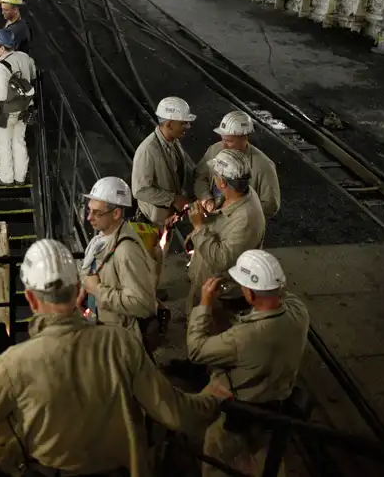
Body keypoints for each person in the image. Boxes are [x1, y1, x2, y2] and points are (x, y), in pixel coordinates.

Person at [0, 239, 221, 476]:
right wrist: (212, 398)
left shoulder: (15, 363)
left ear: (31, 299)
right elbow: (174, 411)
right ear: (78, 291)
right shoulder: (122, 344)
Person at [188, 251, 309, 477]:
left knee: (219, 457)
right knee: (268, 461)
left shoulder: (244, 337)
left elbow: (196, 350)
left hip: (240, 410)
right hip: (277, 406)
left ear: (251, 294)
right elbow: (282, 294)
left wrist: (204, 303)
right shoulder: (299, 312)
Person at [185, 149, 266, 308]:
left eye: (215, 175)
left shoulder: (246, 219)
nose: (213, 178)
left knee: (203, 322)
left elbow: (221, 260)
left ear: (222, 183)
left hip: (219, 295)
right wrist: (196, 233)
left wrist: (199, 227)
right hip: (207, 281)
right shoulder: (238, 194)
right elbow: (222, 223)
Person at [80, 177, 157, 337]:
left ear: (116, 213)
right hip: (102, 329)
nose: (89, 218)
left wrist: (97, 290)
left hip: (120, 338)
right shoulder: (98, 240)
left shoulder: (126, 250)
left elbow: (143, 305)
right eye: (89, 210)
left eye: (97, 213)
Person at [131, 96, 195, 281]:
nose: (187, 126)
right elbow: (139, 190)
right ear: (168, 124)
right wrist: (173, 199)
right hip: (152, 220)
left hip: (165, 218)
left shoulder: (172, 142)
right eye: (183, 123)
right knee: (149, 262)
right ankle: (147, 293)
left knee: (158, 259)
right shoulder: (148, 150)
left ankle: (153, 290)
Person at [0, 28, 36, 185]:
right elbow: (33, 75)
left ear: (2, 47)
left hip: (4, 113)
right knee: (19, 142)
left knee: (3, 145)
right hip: (23, 109)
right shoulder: (25, 57)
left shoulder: (1, 67)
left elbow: (1, 95)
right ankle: (20, 177)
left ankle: (6, 178)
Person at [195, 111, 280, 220]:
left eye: (229, 141)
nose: (224, 146)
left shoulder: (263, 166)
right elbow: (200, 177)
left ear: (245, 137)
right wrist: (207, 199)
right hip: (210, 218)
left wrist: (235, 215)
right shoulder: (214, 150)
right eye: (222, 139)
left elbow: (271, 205)